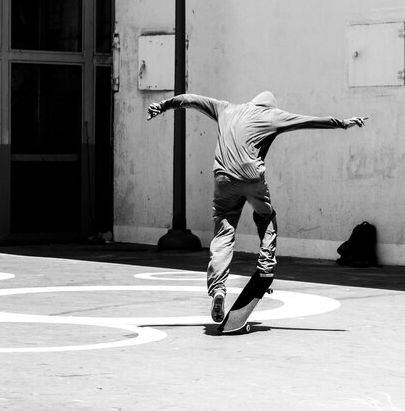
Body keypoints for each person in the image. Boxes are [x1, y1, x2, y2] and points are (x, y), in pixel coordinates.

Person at [147, 91, 366, 322]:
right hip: (252, 180)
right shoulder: (272, 116)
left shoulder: (226, 108)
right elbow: (308, 120)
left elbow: (190, 99)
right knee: (266, 218)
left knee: (223, 232)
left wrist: (163, 105)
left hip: (224, 181)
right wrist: (342, 123)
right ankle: (265, 265)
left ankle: (218, 289)